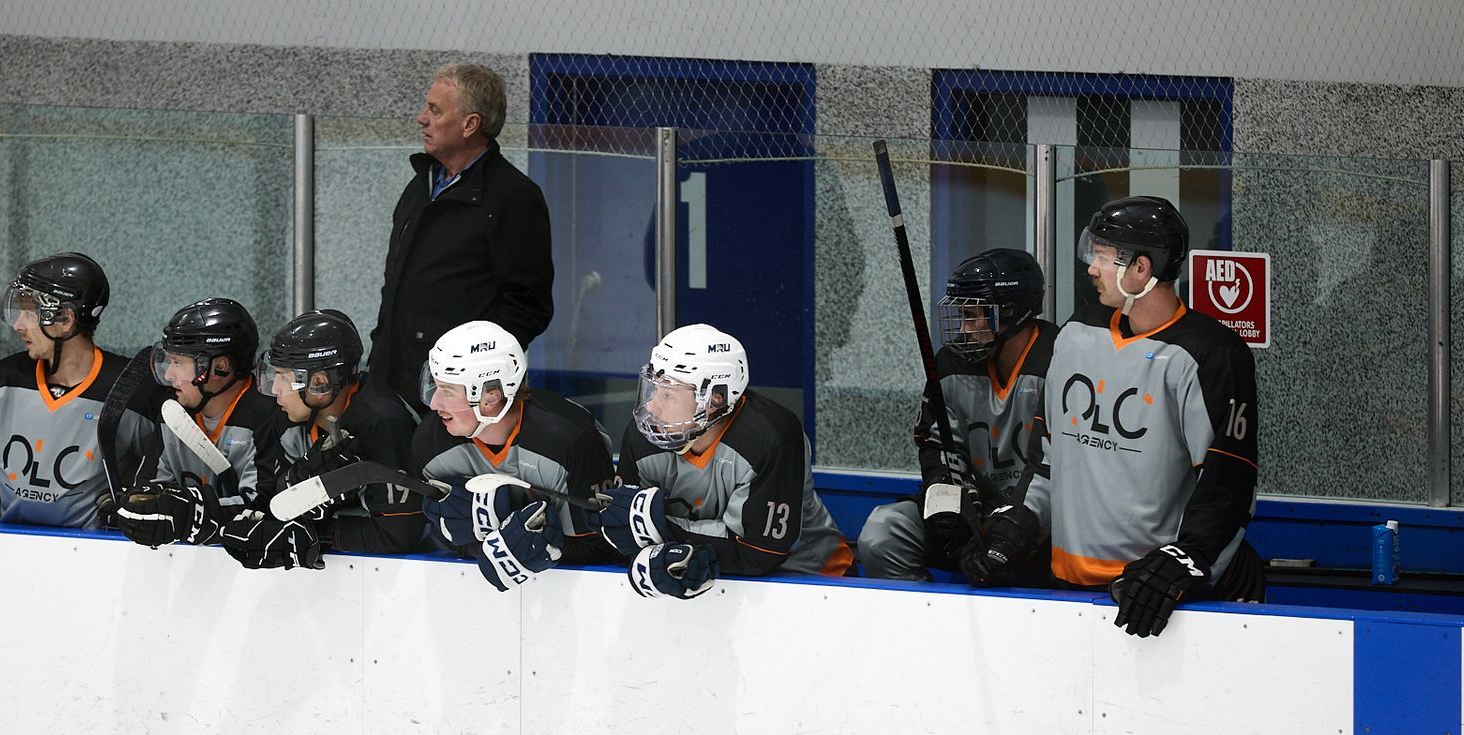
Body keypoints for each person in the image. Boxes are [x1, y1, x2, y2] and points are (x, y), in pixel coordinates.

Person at [974, 196, 1265, 637]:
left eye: (1104, 256)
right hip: (1065, 594)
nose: (1091, 268)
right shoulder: (1076, 333)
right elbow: (1047, 458)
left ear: (1141, 269)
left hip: (1155, 603)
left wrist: (1187, 560)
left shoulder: (1211, 356)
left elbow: (1227, 489)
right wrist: (1021, 521)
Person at [596, 324, 855, 599]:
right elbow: (622, 528)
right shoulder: (645, 436)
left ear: (715, 398)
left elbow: (757, 552)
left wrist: (660, 528)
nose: (652, 407)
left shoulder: (771, 438)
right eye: (653, 389)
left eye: (668, 395)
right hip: (718, 580)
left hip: (814, 581)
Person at [858, 248, 1057, 584]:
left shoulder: (1061, 362)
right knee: (884, 531)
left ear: (1011, 312)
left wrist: (1015, 525)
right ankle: (927, 614)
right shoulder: (950, 364)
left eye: (973, 316)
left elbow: (1060, 466)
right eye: (960, 315)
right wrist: (947, 499)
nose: (963, 329)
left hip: (1039, 525)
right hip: (980, 513)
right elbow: (937, 445)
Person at [368, 63, 555, 412]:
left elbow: (528, 307)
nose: (422, 118)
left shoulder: (513, 197)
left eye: (435, 110)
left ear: (470, 124)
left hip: (457, 396)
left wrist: (476, 373)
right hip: (389, 385)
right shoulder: (420, 185)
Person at [214, 308, 432, 570]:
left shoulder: (383, 423)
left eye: (283, 377)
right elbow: (272, 502)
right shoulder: (291, 414)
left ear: (320, 382)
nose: (275, 389)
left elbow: (398, 534)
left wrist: (314, 534)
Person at [412, 320, 619, 592]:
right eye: (435, 386)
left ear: (490, 395)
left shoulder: (568, 438)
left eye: (448, 391)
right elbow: (451, 535)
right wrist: (495, 544)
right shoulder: (431, 442)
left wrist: (530, 541)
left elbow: (598, 544)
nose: (434, 403)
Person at [0, 253, 161, 529]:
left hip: (96, 552)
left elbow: (159, 490)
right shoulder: (1, 382)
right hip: (8, 547)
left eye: (29, 313)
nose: (18, 325)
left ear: (66, 319)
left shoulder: (133, 392)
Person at [113, 298, 285, 551]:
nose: (169, 374)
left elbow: (263, 508)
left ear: (220, 367)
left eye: (178, 362)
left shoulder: (268, 418)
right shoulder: (174, 412)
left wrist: (189, 513)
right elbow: (149, 489)